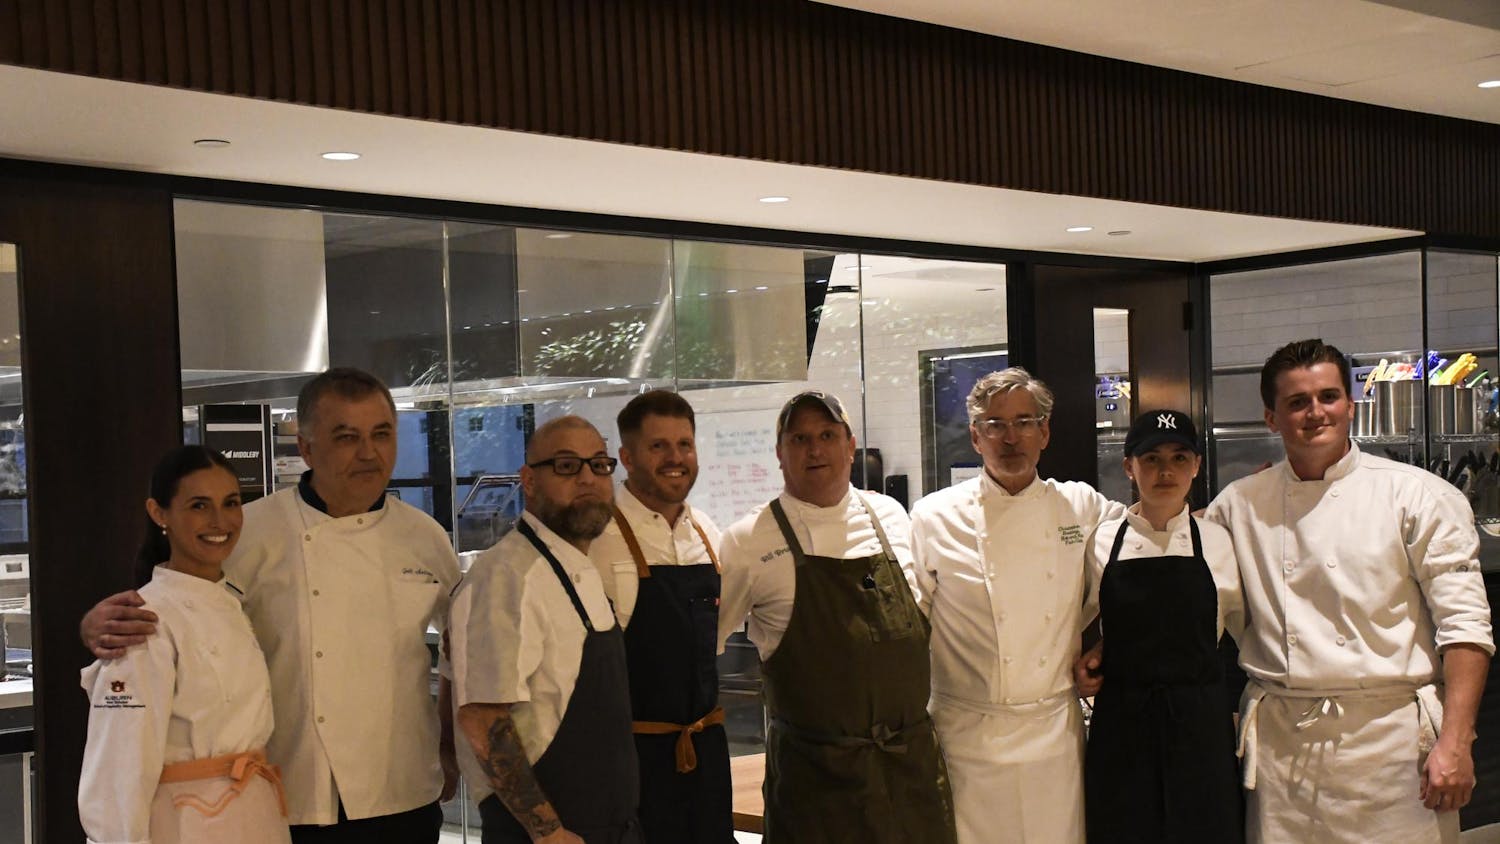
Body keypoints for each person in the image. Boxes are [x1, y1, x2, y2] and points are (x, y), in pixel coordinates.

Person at [82, 368, 462, 842]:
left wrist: (449, 745)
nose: (369, 453)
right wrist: (96, 625)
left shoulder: (426, 537)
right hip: (289, 793)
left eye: (382, 434)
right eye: (346, 437)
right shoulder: (250, 531)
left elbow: (458, 649)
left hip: (403, 789)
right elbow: (179, 606)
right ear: (306, 448)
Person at [1206, 338, 1492, 844]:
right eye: (1297, 402)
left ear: (1351, 405)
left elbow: (1465, 626)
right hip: (1282, 751)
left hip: (1393, 750)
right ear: (1271, 418)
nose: (1316, 412)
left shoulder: (1418, 495)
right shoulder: (1239, 504)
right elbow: (1186, 584)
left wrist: (1457, 740)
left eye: (1328, 397)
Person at [717, 390, 956, 843]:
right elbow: (704, 644)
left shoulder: (890, 516)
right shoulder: (749, 539)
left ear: (850, 445)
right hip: (816, 783)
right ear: (779, 454)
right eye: (799, 438)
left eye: (827, 434)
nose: (815, 449)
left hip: (910, 773)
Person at [907, 367, 1124, 844]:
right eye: (995, 425)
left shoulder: (1081, 506)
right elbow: (907, 626)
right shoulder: (932, 517)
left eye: (1025, 422)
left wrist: (1108, 645)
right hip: (966, 738)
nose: (1011, 437)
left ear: (1044, 432)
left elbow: (1142, 563)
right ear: (975, 436)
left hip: (1054, 737)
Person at [79, 445, 290, 844]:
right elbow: (119, 767)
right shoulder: (145, 621)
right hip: (187, 825)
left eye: (231, 503)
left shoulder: (231, 602)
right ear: (160, 514)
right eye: (198, 505)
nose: (220, 520)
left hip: (256, 815)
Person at [451, 415, 641, 844]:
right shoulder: (509, 575)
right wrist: (548, 832)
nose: (588, 479)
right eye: (567, 466)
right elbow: (481, 716)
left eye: (599, 465)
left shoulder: (578, 568)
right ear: (529, 481)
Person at [1078, 409, 1244, 844]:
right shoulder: (1101, 540)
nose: (1165, 470)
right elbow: (1070, 621)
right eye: (1151, 458)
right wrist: (1086, 658)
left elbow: (1247, 635)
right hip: (1122, 724)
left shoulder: (1219, 541)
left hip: (1200, 726)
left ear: (1196, 466)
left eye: (1178, 457)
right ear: (1128, 466)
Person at [588, 391, 732, 843]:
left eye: (684, 445)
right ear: (627, 458)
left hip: (706, 753)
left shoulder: (709, 532)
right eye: (659, 447)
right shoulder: (596, 538)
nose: (676, 458)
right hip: (633, 758)